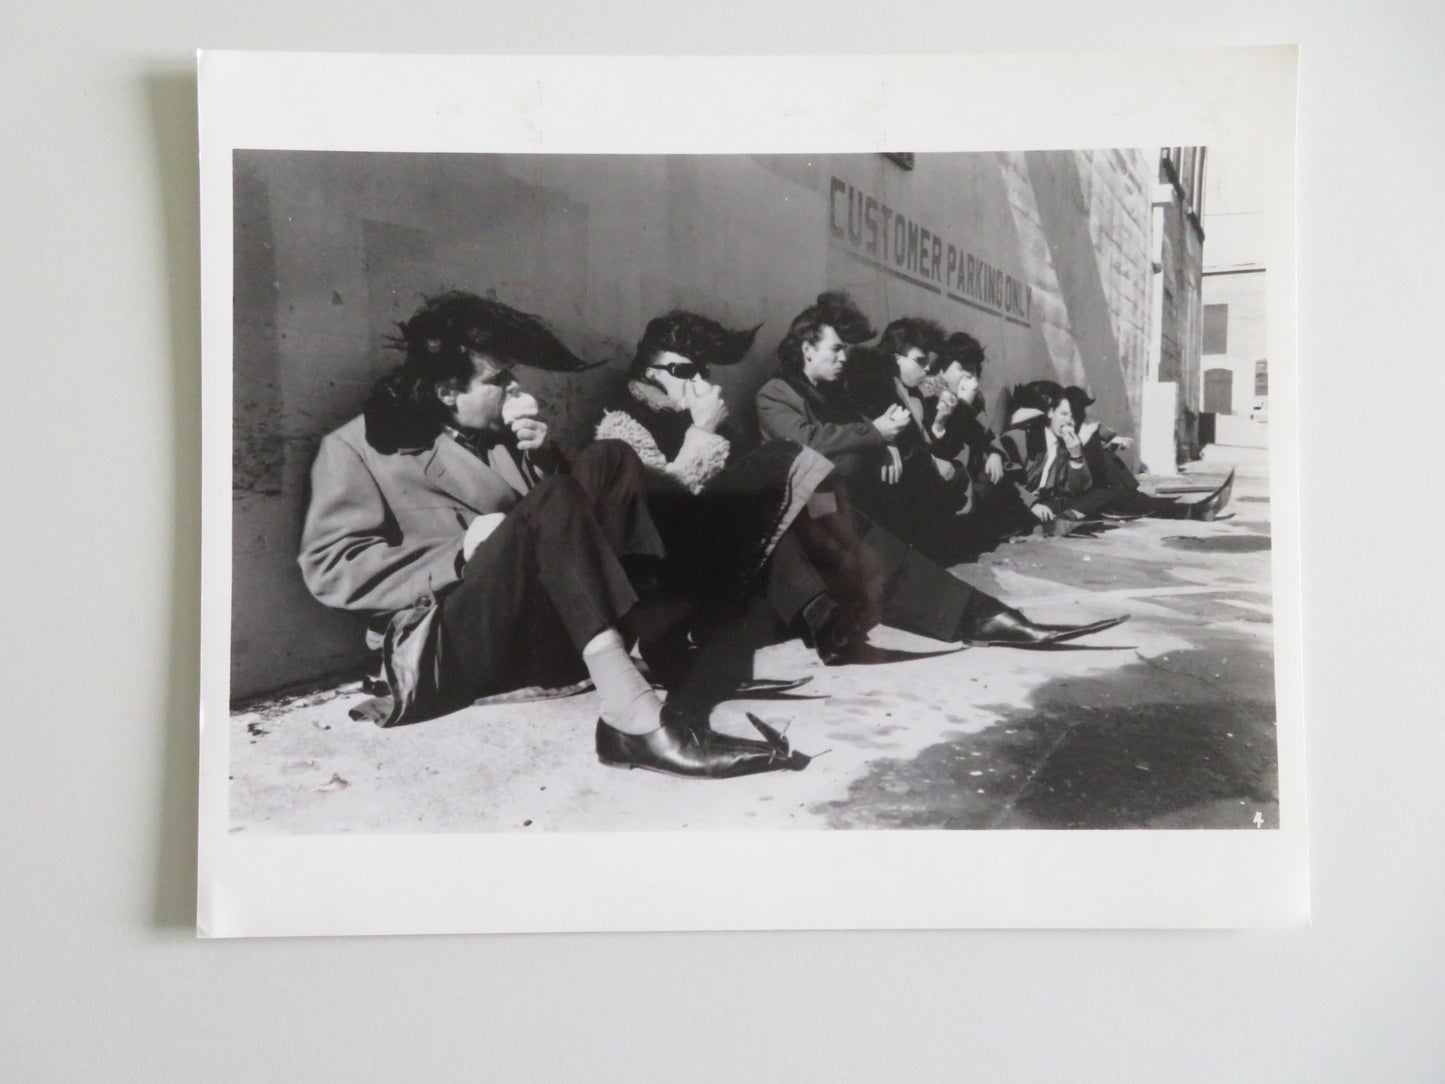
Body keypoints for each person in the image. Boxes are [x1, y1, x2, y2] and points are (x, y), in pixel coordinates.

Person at [298, 291, 805, 779]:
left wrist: (543, 457)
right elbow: (329, 568)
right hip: (450, 643)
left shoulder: (502, 437)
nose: (516, 391)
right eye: (500, 380)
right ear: (447, 392)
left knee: (612, 458)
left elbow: (560, 539)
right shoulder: (356, 448)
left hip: (535, 628)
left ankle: (664, 650)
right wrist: (458, 552)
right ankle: (633, 723)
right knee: (560, 493)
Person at [755, 291, 1127, 649]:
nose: (843, 358)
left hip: (828, 510)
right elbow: (804, 442)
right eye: (835, 349)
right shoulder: (775, 393)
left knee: (896, 564)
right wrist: (875, 434)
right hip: (796, 517)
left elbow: (855, 433)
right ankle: (966, 619)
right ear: (806, 349)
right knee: (884, 562)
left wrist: (883, 446)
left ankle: (986, 618)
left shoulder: (833, 395)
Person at [593, 310, 838, 708]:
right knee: (781, 460)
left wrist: (816, 505)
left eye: (702, 370)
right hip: (676, 581)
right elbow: (662, 511)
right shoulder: (621, 426)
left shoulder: (702, 415)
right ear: (651, 372)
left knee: (821, 503)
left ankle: (960, 609)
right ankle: (824, 614)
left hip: (730, 564)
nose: (700, 381)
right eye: (685, 370)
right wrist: (703, 431)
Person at [1057, 386, 1234, 521]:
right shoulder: (1063, 432)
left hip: (1103, 486)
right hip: (1086, 493)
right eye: (1075, 411)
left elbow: (1104, 443)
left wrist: (1113, 442)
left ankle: (1195, 511)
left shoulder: (1088, 428)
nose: (1077, 416)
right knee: (1139, 502)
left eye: (1079, 412)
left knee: (1139, 501)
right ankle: (1196, 511)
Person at [915, 330, 1016, 551]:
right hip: (937, 470)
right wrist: (961, 407)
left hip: (962, 473)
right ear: (942, 369)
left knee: (995, 482)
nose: (969, 376)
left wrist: (996, 453)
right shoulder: (928, 395)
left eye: (973, 370)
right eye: (962, 368)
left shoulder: (972, 397)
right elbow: (943, 448)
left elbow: (984, 431)